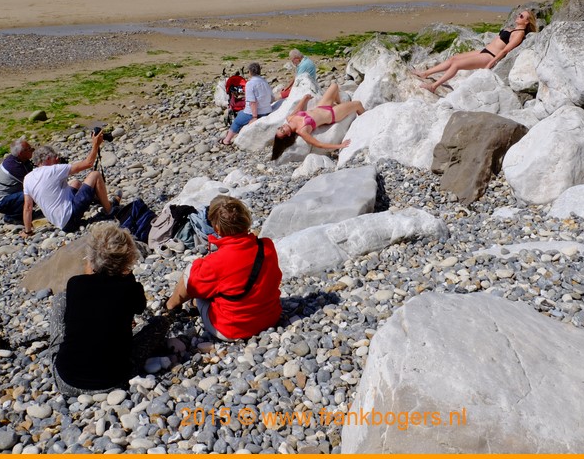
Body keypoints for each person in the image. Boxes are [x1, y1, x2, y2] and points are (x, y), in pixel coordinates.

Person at [49, 222, 169, 396]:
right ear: (128, 259)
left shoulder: (75, 284)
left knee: (61, 299)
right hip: (114, 380)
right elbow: (140, 307)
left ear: (92, 257)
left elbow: (92, 294)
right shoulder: (131, 289)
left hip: (66, 380)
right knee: (160, 322)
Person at [166, 195, 282, 341]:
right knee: (226, 282)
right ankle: (193, 304)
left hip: (231, 329)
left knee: (191, 271)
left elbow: (193, 288)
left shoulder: (216, 262)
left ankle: (170, 307)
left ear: (217, 228)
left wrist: (201, 265)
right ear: (246, 219)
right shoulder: (266, 246)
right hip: (271, 317)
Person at [413, 9, 537, 93]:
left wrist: (490, 64)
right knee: (454, 58)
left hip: (490, 56)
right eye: (519, 14)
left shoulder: (519, 34)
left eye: (521, 16)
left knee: (456, 65)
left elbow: (505, 50)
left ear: (527, 21)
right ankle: (426, 73)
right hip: (484, 51)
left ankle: (433, 86)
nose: (518, 16)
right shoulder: (513, 29)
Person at [21, 131, 119, 236]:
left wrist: (28, 231)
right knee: (95, 175)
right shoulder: (53, 170)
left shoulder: (27, 178)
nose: (57, 160)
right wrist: (95, 144)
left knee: (75, 183)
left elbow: (28, 207)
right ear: (48, 159)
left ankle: (98, 199)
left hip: (58, 222)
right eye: (55, 158)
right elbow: (89, 163)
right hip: (70, 220)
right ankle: (110, 210)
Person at [271, 82, 365, 161]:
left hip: (322, 106)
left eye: (280, 128)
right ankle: (366, 120)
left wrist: (304, 99)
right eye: (282, 130)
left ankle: (340, 104)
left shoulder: (290, 118)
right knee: (358, 104)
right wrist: (339, 146)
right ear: (288, 134)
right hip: (332, 114)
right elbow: (319, 144)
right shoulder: (302, 131)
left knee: (334, 85)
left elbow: (298, 109)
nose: (282, 127)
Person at [219, 62, 274, 146]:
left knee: (237, 121)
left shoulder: (250, 84)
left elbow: (252, 102)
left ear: (250, 72)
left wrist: (255, 117)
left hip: (256, 113)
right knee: (241, 113)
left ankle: (227, 140)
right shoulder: (264, 82)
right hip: (267, 110)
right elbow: (271, 97)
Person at [0, 137, 34, 223]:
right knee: (32, 192)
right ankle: (13, 216)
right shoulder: (14, 167)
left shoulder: (17, 159)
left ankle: (20, 211)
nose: (32, 150)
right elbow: (32, 183)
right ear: (21, 153)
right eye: (29, 149)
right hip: (0, 202)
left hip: (7, 195)